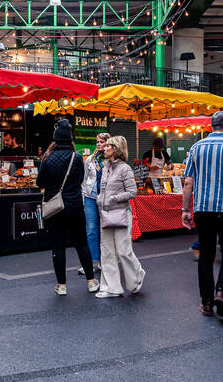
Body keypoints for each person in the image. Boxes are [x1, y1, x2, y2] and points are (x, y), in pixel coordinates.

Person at [181, 111, 223, 318]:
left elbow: (188, 182)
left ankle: (207, 303)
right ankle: (222, 292)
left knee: (207, 255)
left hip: (203, 209)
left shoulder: (196, 147)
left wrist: (185, 210)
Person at [36, 119, 99, 296]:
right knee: (81, 244)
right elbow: (81, 179)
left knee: (58, 246)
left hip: (54, 207)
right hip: (74, 206)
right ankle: (91, 281)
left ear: (55, 138)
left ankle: (61, 285)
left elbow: (39, 181)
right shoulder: (77, 157)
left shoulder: (47, 157)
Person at [95, 135, 146, 298]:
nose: (105, 148)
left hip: (121, 214)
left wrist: (114, 198)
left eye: (109, 146)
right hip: (105, 214)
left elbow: (132, 192)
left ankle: (137, 275)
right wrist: (100, 200)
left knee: (123, 251)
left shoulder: (125, 168)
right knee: (107, 251)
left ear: (116, 149)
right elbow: (103, 190)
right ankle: (112, 288)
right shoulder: (105, 167)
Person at [79, 132, 110, 275]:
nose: (99, 144)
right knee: (91, 230)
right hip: (90, 197)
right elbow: (84, 179)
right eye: (97, 141)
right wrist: (84, 195)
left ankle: (105, 261)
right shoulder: (90, 159)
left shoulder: (111, 160)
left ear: (108, 143)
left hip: (106, 199)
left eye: (102, 142)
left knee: (105, 230)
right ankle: (92, 262)